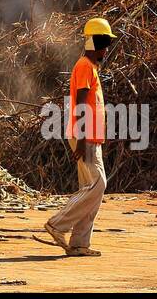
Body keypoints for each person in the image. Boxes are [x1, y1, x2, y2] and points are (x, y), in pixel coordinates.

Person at [44, 17, 116, 257]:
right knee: (98, 185)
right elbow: (82, 104)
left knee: (91, 190)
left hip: (91, 137)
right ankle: (57, 224)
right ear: (94, 42)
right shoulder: (85, 66)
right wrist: (83, 139)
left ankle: (79, 244)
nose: (106, 50)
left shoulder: (90, 67)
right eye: (104, 44)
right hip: (85, 136)